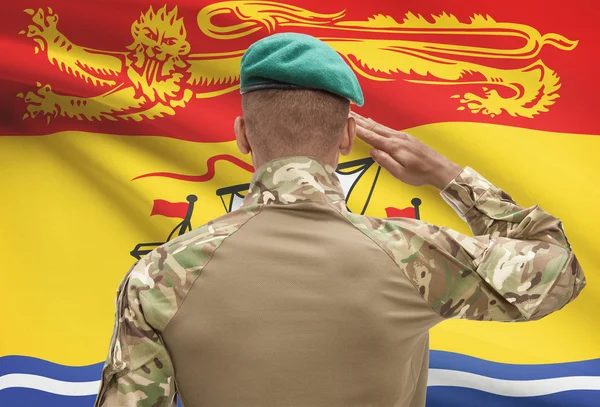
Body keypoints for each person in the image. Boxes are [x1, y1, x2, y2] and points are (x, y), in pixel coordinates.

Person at [95, 33, 586, 407]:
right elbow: (559, 268)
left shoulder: (158, 275)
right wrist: (447, 174)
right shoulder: (415, 256)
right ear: (349, 135)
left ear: (243, 135)